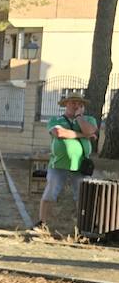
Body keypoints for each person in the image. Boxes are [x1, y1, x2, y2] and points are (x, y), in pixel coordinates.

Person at [38, 90, 98, 232]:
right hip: (58, 164)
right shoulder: (55, 120)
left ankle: (84, 227)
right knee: (50, 193)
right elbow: (59, 133)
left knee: (83, 198)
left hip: (81, 166)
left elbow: (90, 130)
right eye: (72, 102)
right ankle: (41, 223)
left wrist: (79, 117)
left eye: (79, 103)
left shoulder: (88, 120)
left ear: (82, 106)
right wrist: (83, 135)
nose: (75, 105)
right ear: (66, 104)